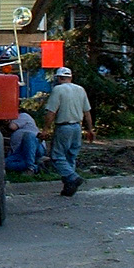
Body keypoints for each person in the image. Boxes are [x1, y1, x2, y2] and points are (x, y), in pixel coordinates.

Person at [43, 66, 94, 197]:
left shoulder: (58, 90)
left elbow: (51, 112)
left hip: (64, 127)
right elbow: (87, 112)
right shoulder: (80, 89)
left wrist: (45, 129)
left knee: (57, 157)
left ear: (59, 78)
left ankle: (72, 177)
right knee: (71, 156)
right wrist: (90, 129)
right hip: (77, 127)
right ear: (70, 77)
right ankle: (69, 187)